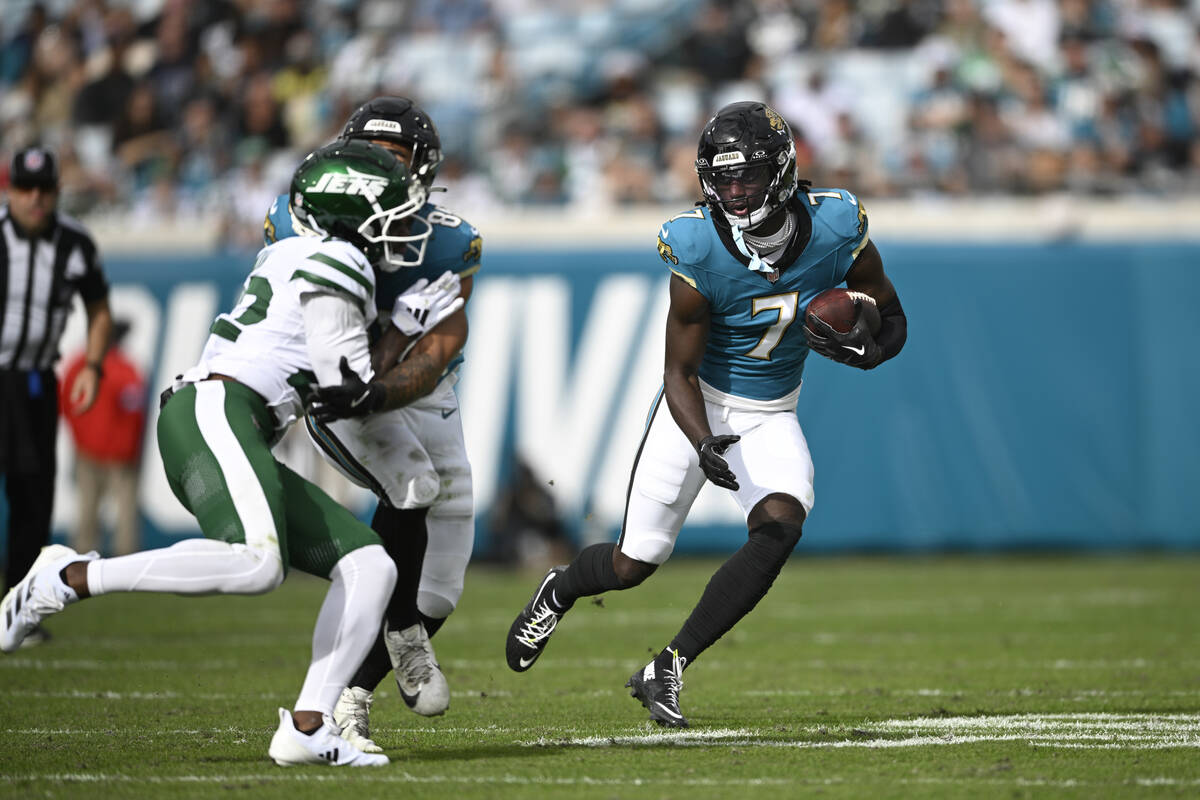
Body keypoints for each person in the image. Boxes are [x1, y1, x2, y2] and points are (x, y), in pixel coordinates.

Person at [0, 139, 461, 766]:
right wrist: (405, 331)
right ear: (355, 217)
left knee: (371, 567)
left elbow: (335, 381)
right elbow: (343, 395)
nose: (404, 226)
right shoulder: (341, 263)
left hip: (227, 418)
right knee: (256, 564)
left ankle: (306, 727)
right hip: (218, 411)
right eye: (392, 212)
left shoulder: (298, 250)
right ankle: (69, 576)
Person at [504, 101, 908, 727]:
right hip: (694, 407)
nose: (735, 192)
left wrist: (869, 349)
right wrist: (702, 441)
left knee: (781, 523)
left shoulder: (836, 227)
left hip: (771, 411)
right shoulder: (696, 245)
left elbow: (894, 318)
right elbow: (678, 372)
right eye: (722, 179)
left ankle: (667, 666)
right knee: (633, 562)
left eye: (746, 177)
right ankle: (560, 589)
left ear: (780, 171)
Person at [264, 97, 481, 753]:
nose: (378, 174)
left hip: (416, 390)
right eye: (371, 157)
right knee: (410, 492)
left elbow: (440, 346)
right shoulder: (299, 218)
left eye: (395, 160)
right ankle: (368, 663)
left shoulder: (447, 239)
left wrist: (386, 379)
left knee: (441, 583)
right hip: (336, 385)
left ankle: (362, 684)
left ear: (422, 170)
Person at [1, 146, 112, 646]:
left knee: (33, 493)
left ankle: (19, 611)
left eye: (43, 189)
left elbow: (99, 307)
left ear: (56, 191)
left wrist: (91, 364)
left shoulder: (74, 243)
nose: (34, 199)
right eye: (25, 189)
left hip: (34, 380)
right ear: (10, 190)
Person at [61, 318, 146, 556]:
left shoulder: (82, 365)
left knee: (97, 514)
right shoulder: (123, 369)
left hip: (105, 454)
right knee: (107, 514)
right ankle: (119, 563)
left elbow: (67, 406)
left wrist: (81, 440)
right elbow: (136, 414)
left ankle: (81, 564)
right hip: (111, 455)